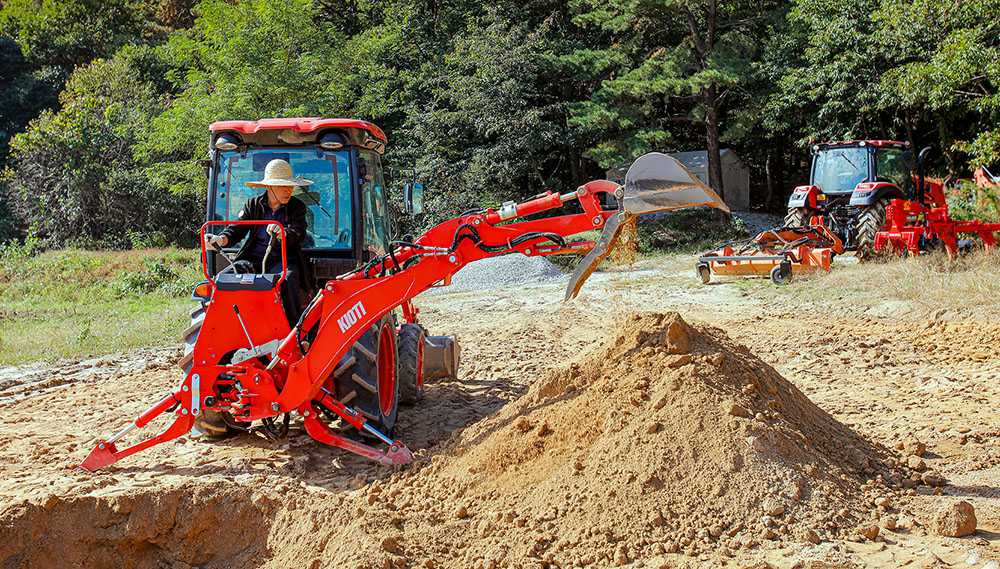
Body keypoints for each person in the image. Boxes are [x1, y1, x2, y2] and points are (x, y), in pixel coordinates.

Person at [204, 159, 310, 325]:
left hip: (282, 259)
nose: (288, 190)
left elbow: (298, 234)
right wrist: (220, 239)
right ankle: (220, 327)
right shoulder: (252, 205)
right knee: (222, 279)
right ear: (269, 187)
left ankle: (294, 331)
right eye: (283, 186)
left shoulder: (297, 207)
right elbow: (237, 230)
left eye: (290, 186)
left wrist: (282, 234)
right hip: (253, 259)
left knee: (288, 278)